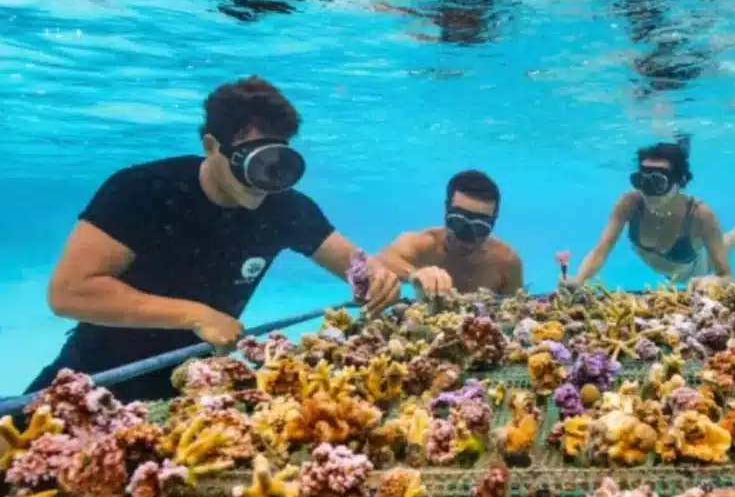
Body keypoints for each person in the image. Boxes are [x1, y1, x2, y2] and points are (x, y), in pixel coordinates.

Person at [27, 76, 400, 402]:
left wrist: (382, 279)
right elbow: (69, 291)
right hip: (94, 376)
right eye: (251, 162)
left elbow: (358, 267)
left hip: (194, 386)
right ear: (211, 146)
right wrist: (194, 315)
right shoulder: (141, 191)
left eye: (277, 165)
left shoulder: (285, 207)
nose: (263, 183)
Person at [570, 137, 735, 286]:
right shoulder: (629, 202)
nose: (648, 192)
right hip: (669, 266)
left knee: (725, 244)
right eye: (642, 181)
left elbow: (726, 275)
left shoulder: (700, 215)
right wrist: (578, 279)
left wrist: (713, 282)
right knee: (721, 243)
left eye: (658, 183)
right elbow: (599, 251)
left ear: (680, 182)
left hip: (692, 269)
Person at [376, 170, 523, 296]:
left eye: (479, 227)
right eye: (458, 222)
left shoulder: (506, 262)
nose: (466, 237)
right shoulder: (424, 244)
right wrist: (415, 274)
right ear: (446, 210)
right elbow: (380, 260)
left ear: (493, 223)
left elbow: (516, 311)